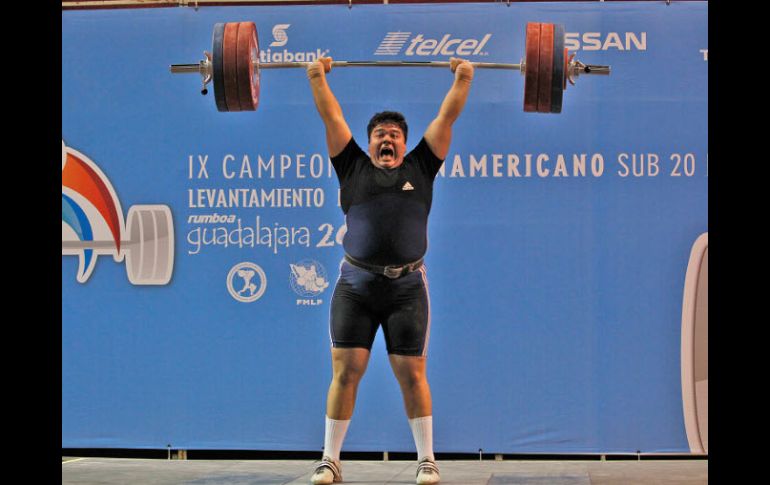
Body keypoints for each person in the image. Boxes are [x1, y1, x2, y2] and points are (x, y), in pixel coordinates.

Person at [306, 56, 474, 485]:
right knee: (345, 371)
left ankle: (426, 460)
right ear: (369, 142)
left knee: (412, 374)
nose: (388, 140)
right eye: (380, 134)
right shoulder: (351, 166)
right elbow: (331, 113)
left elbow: (447, 114)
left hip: (407, 289)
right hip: (356, 286)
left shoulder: (421, 166)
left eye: (395, 135)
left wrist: (464, 77)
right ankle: (330, 461)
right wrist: (315, 76)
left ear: (404, 143)